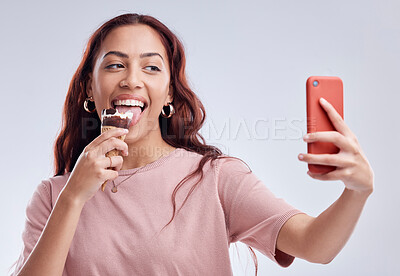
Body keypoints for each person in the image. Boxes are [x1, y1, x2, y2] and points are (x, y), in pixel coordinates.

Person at [11, 13, 374, 276]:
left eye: (151, 68)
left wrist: (356, 192)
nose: (132, 80)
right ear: (90, 89)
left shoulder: (214, 179)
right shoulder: (53, 197)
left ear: (168, 93)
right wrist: (73, 196)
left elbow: (315, 245)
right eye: (115, 66)